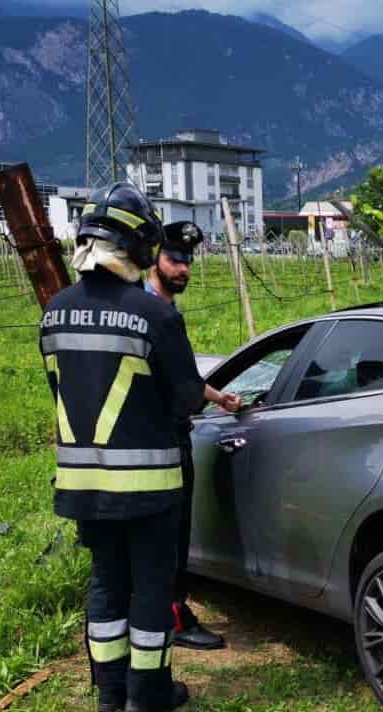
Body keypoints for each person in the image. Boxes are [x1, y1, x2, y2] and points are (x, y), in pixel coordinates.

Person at [40, 181, 206, 712]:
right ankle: (147, 694)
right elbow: (185, 399)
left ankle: (108, 691)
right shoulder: (154, 316)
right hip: (148, 486)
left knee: (106, 583)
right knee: (151, 588)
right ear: (139, 247)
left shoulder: (54, 313)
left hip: (83, 484)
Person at [145, 221, 240, 651]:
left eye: (188, 261)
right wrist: (198, 399)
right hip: (161, 438)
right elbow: (181, 387)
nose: (182, 269)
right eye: (174, 259)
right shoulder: (156, 313)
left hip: (145, 439)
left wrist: (218, 396)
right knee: (170, 534)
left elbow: (181, 376)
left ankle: (156, 613)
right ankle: (173, 617)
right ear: (153, 259)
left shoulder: (149, 307)